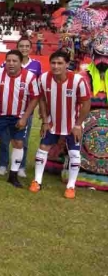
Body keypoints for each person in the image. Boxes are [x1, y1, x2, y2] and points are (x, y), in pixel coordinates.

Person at [29, 50, 90, 199]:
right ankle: (37, 180)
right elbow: (42, 99)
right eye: (53, 63)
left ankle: (71, 186)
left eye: (60, 63)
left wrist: (78, 125)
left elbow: (86, 103)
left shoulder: (77, 80)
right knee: (42, 149)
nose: (56, 66)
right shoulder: (43, 78)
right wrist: (44, 120)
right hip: (52, 123)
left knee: (74, 154)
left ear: (67, 64)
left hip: (72, 124)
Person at [0, 50, 40, 188]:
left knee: (18, 143)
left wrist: (25, 117)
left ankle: (13, 175)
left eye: (14, 61)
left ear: (21, 63)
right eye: (8, 60)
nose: (11, 63)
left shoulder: (29, 77)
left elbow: (35, 98)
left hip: (18, 117)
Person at [0, 38, 42, 177]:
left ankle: (20, 166)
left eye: (27, 46)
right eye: (21, 46)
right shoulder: (6, 63)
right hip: (7, 108)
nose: (24, 48)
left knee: (23, 139)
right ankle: (3, 164)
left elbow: (38, 88)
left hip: (26, 109)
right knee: (4, 138)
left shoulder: (36, 65)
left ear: (31, 48)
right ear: (17, 48)